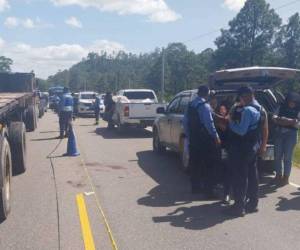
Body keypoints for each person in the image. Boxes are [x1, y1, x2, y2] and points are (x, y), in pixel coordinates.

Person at [225, 86, 267, 217]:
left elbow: (241, 131)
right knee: (253, 176)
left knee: (240, 177)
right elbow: (264, 128)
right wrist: (262, 145)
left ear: (249, 95)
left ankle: (238, 207)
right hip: (253, 147)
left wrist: (230, 122)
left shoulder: (248, 110)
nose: (240, 99)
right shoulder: (261, 108)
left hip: (242, 148)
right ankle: (253, 204)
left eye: (242, 96)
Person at [183, 85, 221, 199]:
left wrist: (190, 136)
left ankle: (195, 187)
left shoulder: (190, 105)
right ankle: (209, 191)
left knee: (195, 164)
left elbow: (185, 122)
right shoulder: (205, 106)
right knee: (209, 165)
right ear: (207, 94)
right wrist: (216, 137)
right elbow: (209, 123)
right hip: (205, 140)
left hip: (194, 139)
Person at [272, 92, 300, 186]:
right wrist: (289, 121)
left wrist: (282, 120)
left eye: (294, 102)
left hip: (291, 135)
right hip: (279, 133)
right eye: (291, 101)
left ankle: (286, 177)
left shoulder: (298, 110)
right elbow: (274, 118)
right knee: (277, 156)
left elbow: (297, 124)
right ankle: (278, 175)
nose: (292, 103)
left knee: (288, 157)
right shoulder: (281, 107)